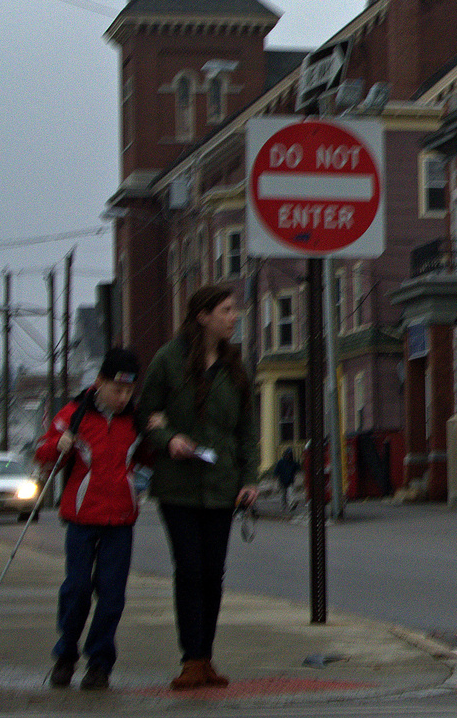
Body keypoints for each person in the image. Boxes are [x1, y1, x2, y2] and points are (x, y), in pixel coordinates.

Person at [136, 284, 258, 690]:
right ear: (203, 316)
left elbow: (247, 431)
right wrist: (168, 438)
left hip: (222, 486)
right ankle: (191, 659)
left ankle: (206, 657)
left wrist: (250, 478)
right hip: (179, 488)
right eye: (226, 310)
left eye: (234, 309)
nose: (233, 316)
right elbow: (146, 414)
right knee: (189, 571)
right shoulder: (168, 361)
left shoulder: (236, 366)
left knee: (212, 574)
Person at [35, 347, 141, 691]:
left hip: (120, 520)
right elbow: (43, 453)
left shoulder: (135, 421)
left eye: (128, 391)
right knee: (77, 589)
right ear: (99, 384)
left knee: (111, 596)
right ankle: (66, 654)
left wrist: (161, 431)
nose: (123, 398)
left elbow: (151, 455)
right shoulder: (75, 414)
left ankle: (100, 663)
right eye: (116, 390)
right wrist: (58, 445)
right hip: (82, 519)